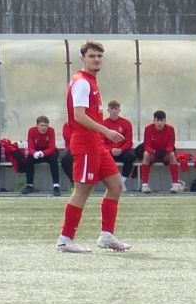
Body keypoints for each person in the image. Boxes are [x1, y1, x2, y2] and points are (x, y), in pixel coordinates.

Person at [59, 40, 132, 253]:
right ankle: (65, 239)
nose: (97, 59)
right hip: (86, 144)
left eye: (99, 56)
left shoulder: (90, 81)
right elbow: (79, 116)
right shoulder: (82, 82)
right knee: (83, 190)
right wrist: (106, 131)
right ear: (82, 58)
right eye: (92, 56)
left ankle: (106, 236)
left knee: (116, 186)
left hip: (97, 145)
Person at [141, 110, 185, 192]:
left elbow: (171, 145)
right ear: (154, 121)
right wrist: (154, 152)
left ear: (165, 121)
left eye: (162, 120)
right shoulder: (148, 129)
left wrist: (165, 151)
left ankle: (175, 184)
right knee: (146, 154)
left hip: (165, 155)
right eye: (157, 120)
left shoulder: (170, 129)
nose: (160, 123)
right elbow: (147, 146)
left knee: (172, 155)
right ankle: (145, 185)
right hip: (153, 154)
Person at [23, 116, 61, 194]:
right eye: (42, 125)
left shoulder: (51, 131)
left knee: (54, 158)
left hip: (48, 153)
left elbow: (52, 147)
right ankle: (29, 185)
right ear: (37, 125)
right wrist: (34, 153)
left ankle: (56, 186)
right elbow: (30, 147)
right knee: (29, 159)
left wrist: (43, 153)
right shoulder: (32, 131)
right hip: (37, 153)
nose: (44, 128)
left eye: (46, 125)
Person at [104, 101, 139, 180]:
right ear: (108, 110)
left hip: (122, 151)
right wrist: (111, 150)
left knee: (131, 155)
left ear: (119, 110)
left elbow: (129, 142)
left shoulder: (126, 123)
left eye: (116, 109)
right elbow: (101, 142)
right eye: (112, 109)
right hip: (109, 151)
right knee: (98, 156)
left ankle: (123, 179)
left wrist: (121, 149)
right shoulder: (103, 124)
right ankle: (104, 180)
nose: (114, 111)